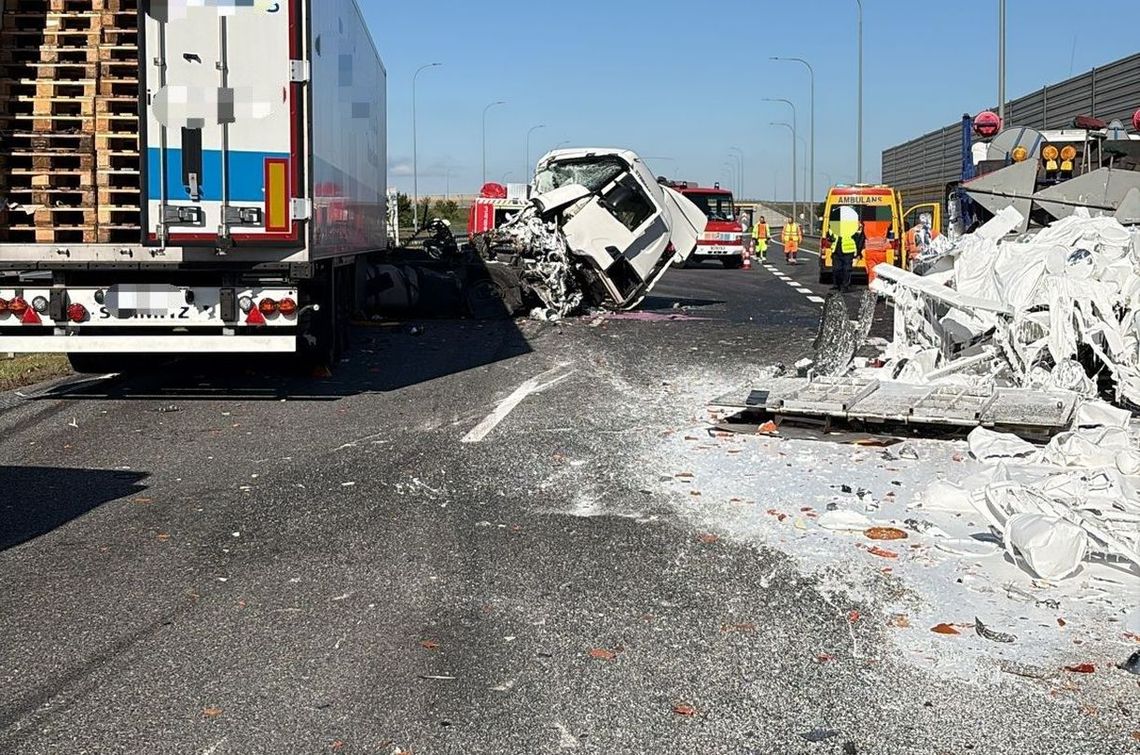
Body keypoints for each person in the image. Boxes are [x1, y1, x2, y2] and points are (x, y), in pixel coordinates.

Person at [826, 221, 865, 292]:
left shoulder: (853, 224)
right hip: (836, 250)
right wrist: (830, 238)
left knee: (847, 269)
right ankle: (837, 285)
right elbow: (830, 235)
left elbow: (859, 237)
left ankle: (845, 286)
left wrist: (858, 251)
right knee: (836, 269)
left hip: (848, 250)